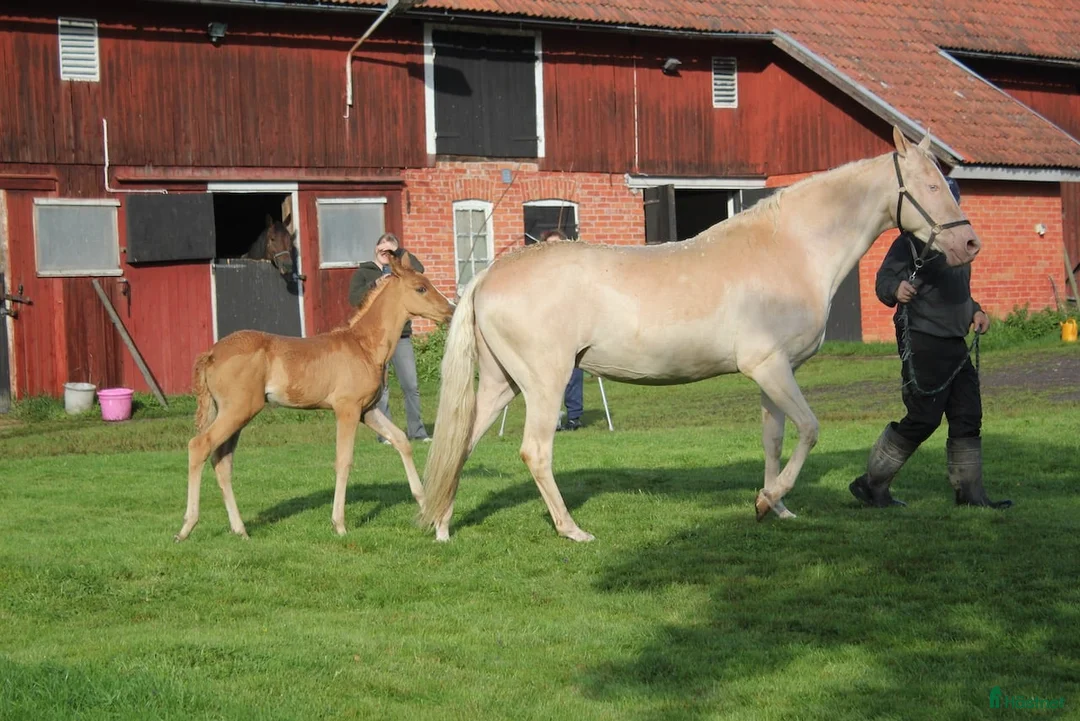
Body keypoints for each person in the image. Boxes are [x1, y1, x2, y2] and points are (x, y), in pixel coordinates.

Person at [849, 176, 1011, 509]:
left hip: (955, 341)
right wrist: (897, 290)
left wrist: (976, 311)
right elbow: (884, 282)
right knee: (924, 418)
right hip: (922, 339)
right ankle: (872, 485)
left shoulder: (956, 242)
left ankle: (971, 496)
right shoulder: (909, 243)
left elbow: (958, 293)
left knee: (968, 415)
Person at [348, 233, 431, 444]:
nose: (385, 253)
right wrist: (376, 283)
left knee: (410, 385)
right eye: (382, 249)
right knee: (381, 388)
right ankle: (385, 434)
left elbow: (419, 270)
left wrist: (399, 253)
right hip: (375, 340)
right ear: (375, 249)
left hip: (401, 337)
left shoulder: (400, 271)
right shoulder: (364, 272)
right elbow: (354, 299)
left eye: (389, 250)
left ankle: (418, 432)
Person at [539, 228, 584, 431]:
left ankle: (574, 416)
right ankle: (550, 417)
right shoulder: (539, 274)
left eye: (558, 245)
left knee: (573, 372)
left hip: (571, 330)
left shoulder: (574, 271)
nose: (554, 249)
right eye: (550, 246)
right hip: (545, 330)